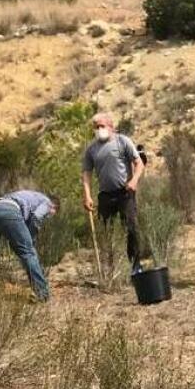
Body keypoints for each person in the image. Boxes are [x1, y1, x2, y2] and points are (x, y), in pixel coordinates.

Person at [81, 113, 146, 275]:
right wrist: (87, 195)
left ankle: (136, 265)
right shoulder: (91, 149)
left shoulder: (122, 141)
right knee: (106, 231)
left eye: (102, 126)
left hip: (125, 193)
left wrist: (134, 181)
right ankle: (110, 268)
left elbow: (139, 164)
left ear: (111, 126)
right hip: (105, 195)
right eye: (96, 127)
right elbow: (86, 173)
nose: (99, 129)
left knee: (131, 228)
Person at [0, 190, 59, 302]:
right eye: (53, 214)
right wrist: (31, 239)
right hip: (8, 210)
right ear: (54, 207)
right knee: (28, 252)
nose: (49, 217)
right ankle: (42, 294)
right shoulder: (47, 202)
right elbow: (36, 218)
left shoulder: (31, 196)